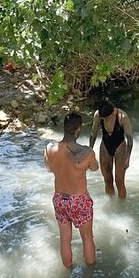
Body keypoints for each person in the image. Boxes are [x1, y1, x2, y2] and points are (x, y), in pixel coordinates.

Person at [44, 112, 99, 268]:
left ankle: (68, 269)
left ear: (64, 127)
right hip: (79, 199)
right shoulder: (86, 152)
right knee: (87, 238)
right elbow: (95, 168)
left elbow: (49, 168)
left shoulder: (49, 148)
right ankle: (91, 271)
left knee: (65, 239)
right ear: (79, 129)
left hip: (60, 199)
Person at [89, 100, 134, 199]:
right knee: (108, 180)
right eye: (102, 118)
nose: (104, 119)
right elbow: (93, 133)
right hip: (105, 145)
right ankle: (111, 204)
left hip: (120, 146)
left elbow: (130, 139)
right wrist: (90, 150)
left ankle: (122, 206)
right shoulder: (98, 114)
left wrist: (128, 158)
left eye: (106, 118)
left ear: (112, 112)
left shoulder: (122, 116)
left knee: (119, 181)